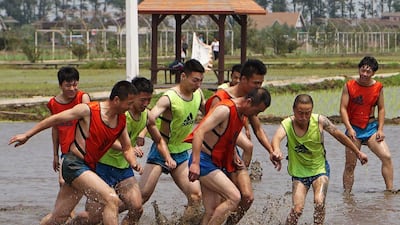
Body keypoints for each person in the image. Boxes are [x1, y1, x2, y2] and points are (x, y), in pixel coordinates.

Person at [9, 80, 142, 225]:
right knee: (111, 198)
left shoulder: (121, 120)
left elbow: (127, 148)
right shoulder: (88, 110)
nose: (130, 108)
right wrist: (27, 135)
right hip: (74, 164)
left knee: (58, 218)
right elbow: (55, 119)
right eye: (129, 103)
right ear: (116, 100)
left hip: (88, 169)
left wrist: (133, 162)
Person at [69, 77, 172, 225]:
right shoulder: (119, 113)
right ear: (133, 96)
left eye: (149, 100)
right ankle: (73, 223)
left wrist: (167, 157)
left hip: (123, 169)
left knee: (137, 207)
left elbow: (159, 139)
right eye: (142, 100)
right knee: (92, 218)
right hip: (101, 167)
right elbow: (108, 140)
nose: (146, 104)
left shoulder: (147, 115)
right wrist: (129, 148)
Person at [272, 94, 368, 225]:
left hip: (319, 169)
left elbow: (339, 135)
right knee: (297, 210)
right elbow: (276, 138)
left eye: (307, 113)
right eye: (300, 113)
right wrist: (276, 150)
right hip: (299, 173)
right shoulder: (287, 123)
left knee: (319, 202)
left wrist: (358, 152)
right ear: (294, 110)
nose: (304, 117)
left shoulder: (320, 121)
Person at [205, 59, 281, 224]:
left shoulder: (251, 99)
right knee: (223, 201)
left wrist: (271, 151)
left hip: (233, 151)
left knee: (247, 197)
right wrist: (231, 151)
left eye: (261, 83)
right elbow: (210, 130)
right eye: (255, 83)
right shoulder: (221, 98)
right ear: (243, 79)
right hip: (216, 153)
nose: (258, 87)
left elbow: (258, 129)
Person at [186, 87, 272, 225]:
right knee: (234, 197)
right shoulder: (225, 109)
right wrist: (195, 163)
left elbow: (227, 135)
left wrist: (232, 152)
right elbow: (199, 132)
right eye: (257, 111)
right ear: (249, 102)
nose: (255, 115)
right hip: (203, 161)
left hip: (214, 162)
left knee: (212, 210)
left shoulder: (241, 112)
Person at [139, 59, 205, 222]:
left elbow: (211, 115)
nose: (198, 85)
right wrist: (141, 134)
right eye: (195, 80)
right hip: (162, 151)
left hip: (181, 152)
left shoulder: (199, 94)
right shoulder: (168, 97)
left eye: (200, 81)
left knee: (196, 197)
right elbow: (150, 117)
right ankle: (107, 212)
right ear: (183, 76)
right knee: (141, 197)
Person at [340, 56, 395, 193]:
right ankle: (347, 196)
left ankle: (389, 191)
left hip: (371, 128)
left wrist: (380, 129)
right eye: (362, 70)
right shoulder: (349, 86)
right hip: (354, 129)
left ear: (373, 73)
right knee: (350, 165)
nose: (364, 74)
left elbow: (381, 109)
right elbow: (342, 108)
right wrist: (349, 128)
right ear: (359, 69)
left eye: (368, 72)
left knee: (386, 157)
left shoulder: (378, 87)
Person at [47, 67, 91, 186]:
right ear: (60, 85)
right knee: (63, 182)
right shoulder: (53, 103)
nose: (72, 89)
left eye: (75, 85)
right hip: (66, 150)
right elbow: (55, 129)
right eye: (68, 86)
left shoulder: (83, 98)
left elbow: (92, 123)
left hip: (85, 150)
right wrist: (55, 154)